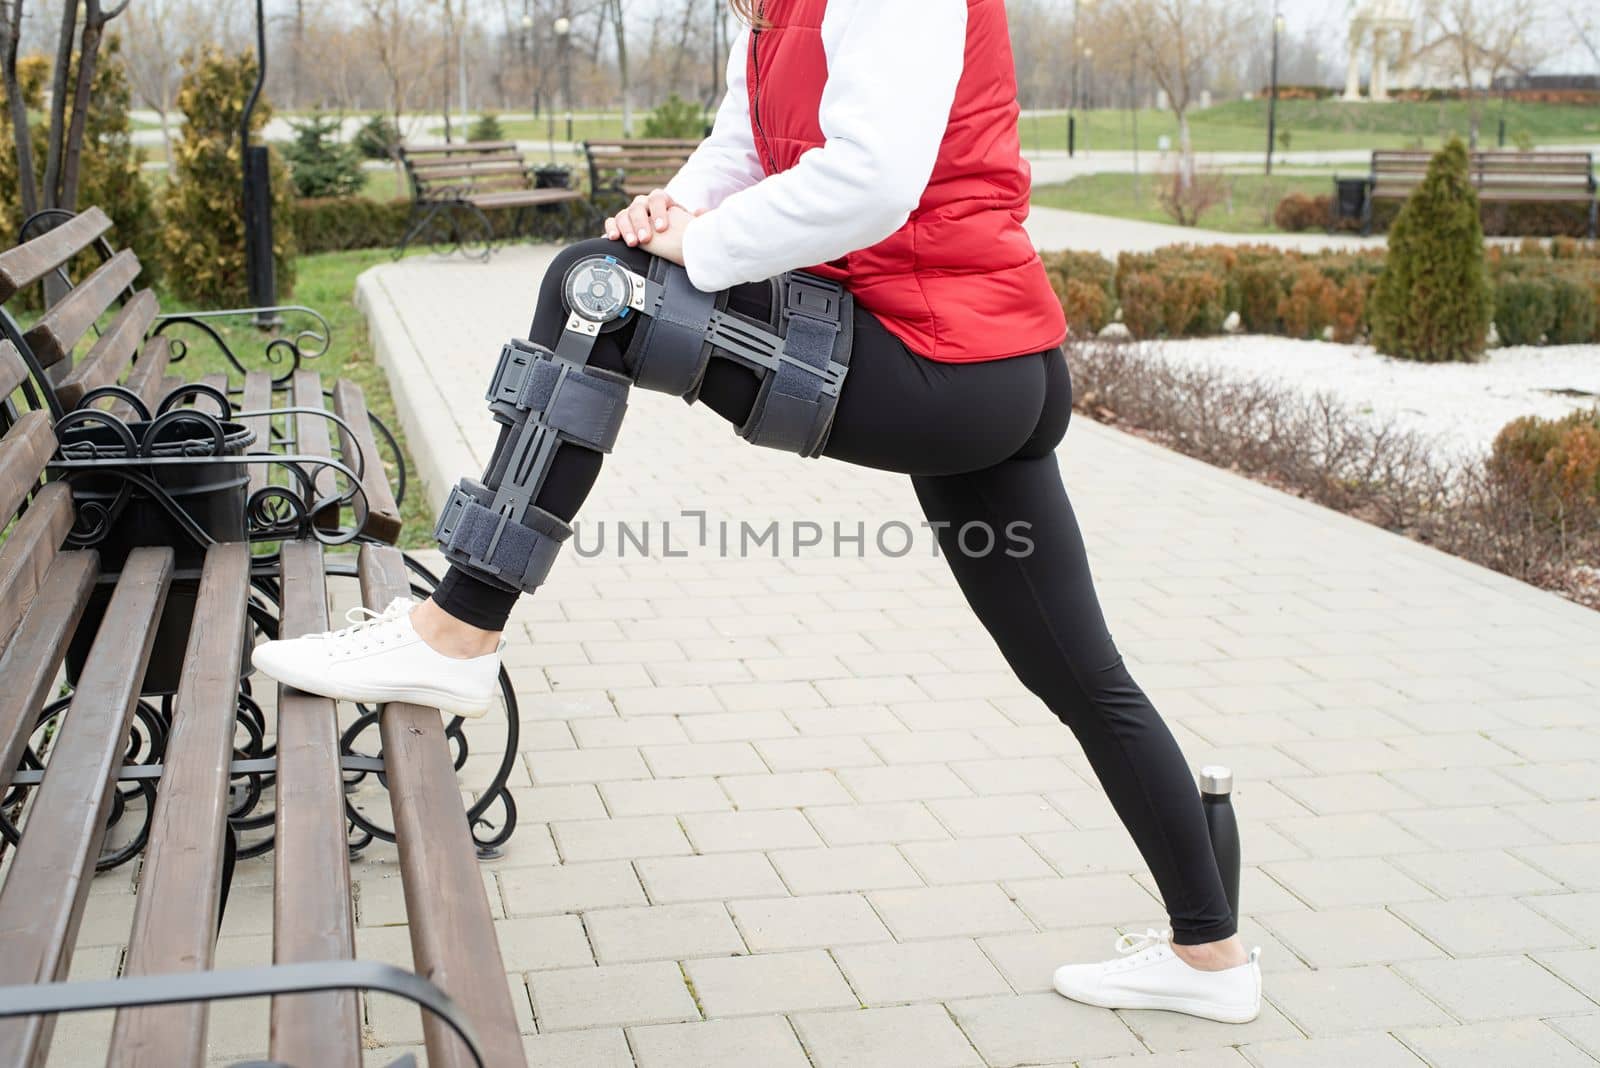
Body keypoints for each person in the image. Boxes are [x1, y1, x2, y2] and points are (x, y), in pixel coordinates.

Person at [252, 0, 1262, 1024]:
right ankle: (1209, 954)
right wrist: (668, 212)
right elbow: (740, 141)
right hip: (980, 359)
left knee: (594, 293)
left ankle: (456, 633)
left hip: (944, 362)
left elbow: (870, 178)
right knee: (1082, 674)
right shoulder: (778, 8)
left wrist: (705, 244)